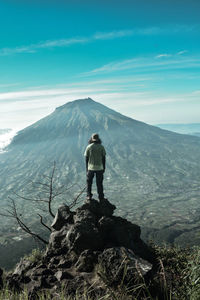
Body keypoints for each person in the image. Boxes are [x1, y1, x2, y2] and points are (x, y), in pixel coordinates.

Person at [84, 133, 106, 201]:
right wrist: (104, 167)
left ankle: (89, 196)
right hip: (100, 168)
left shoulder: (89, 147)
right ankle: (101, 197)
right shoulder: (101, 147)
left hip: (91, 168)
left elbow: (86, 158)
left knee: (89, 182)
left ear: (92, 139)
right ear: (98, 139)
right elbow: (103, 158)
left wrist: (87, 169)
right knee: (99, 183)